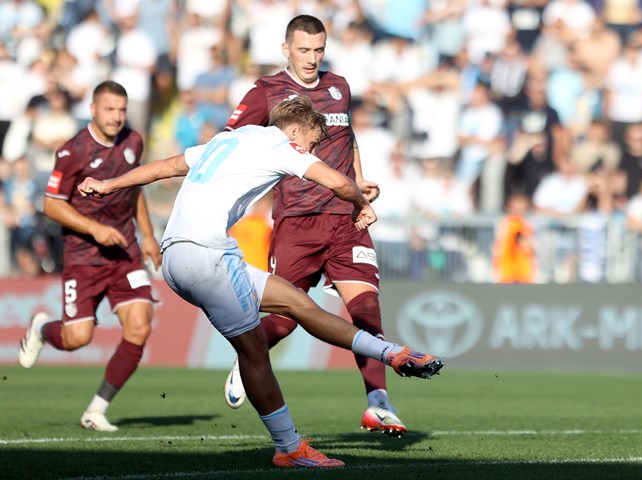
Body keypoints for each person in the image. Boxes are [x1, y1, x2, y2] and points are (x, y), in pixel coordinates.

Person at [76, 96, 445, 468]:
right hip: (206, 255)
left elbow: (165, 167)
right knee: (254, 353)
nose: (312, 151)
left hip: (182, 255)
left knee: (298, 304)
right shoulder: (281, 146)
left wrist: (109, 185)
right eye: (313, 143)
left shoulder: (227, 139)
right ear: (296, 131)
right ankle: (289, 448)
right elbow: (337, 181)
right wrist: (360, 205)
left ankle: (392, 353)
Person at [222, 14, 408, 437]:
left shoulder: (338, 86)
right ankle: (247, 355)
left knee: (365, 309)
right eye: (303, 50)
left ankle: (378, 402)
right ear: (286, 49)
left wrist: (356, 183)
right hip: (297, 220)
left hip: (347, 217)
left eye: (318, 50)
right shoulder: (265, 92)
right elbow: (229, 143)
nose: (312, 58)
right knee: (286, 319)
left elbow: (347, 138)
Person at [18, 81, 161, 432]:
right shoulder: (73, 151)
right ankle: (41, 328)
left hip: (124, 251)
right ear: (93, 110)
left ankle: (96, 410)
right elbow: (52, 205)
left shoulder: (133, 141)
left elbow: (135, 189)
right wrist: (93, 229)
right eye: (110, 109)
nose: (117, 117)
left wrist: (148, 235)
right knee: (77, 338)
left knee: (139, 326)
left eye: (122, 110)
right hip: (84, 257)